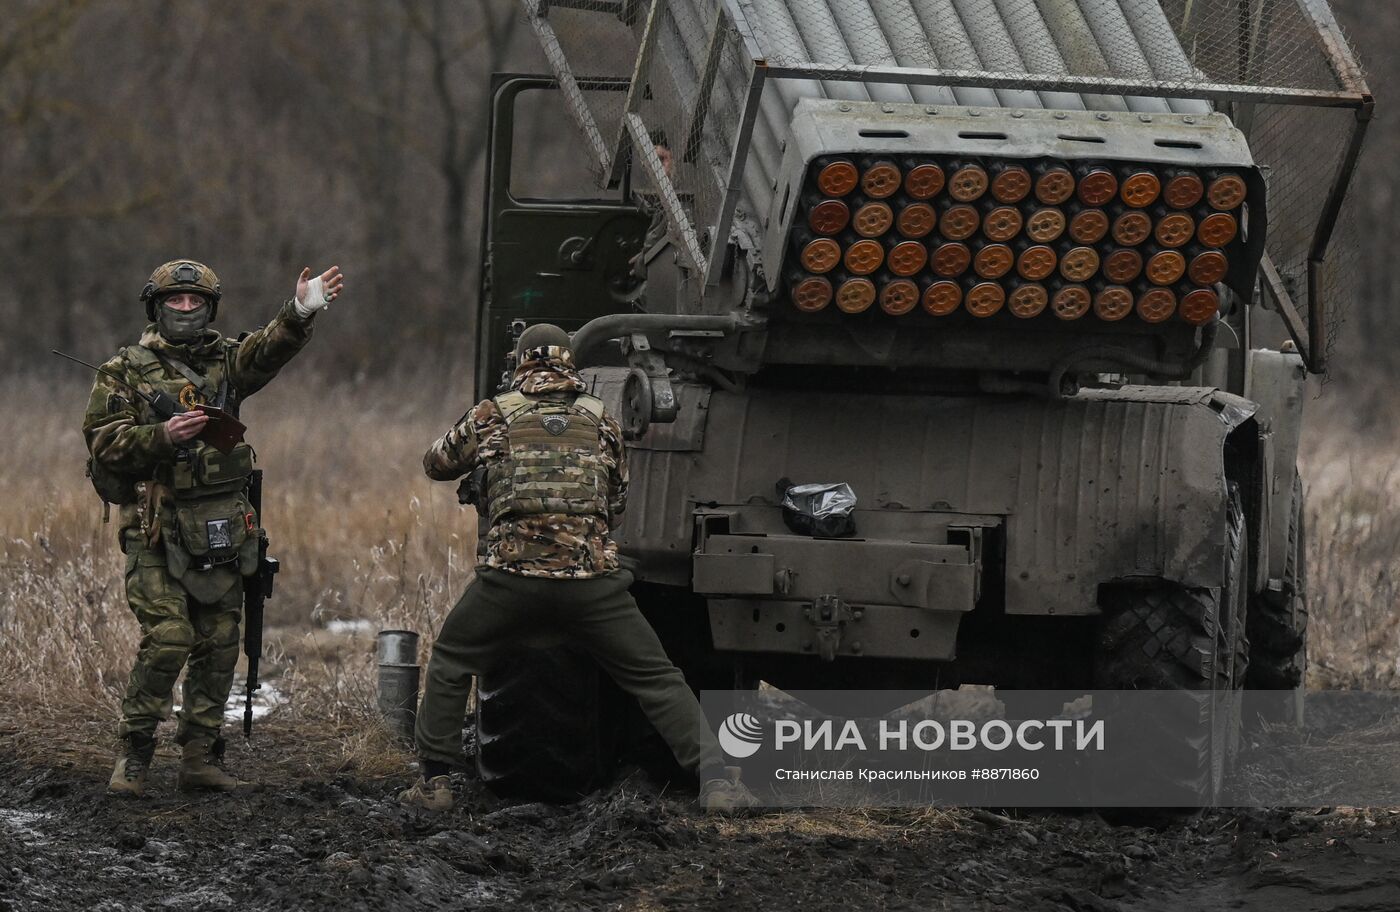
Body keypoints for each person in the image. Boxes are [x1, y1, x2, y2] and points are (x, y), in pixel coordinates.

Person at [400, 323, 756, 814]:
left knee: (452, 660)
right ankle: (718, 782)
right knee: (656, 677)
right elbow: (616, 504)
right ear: (569, 362)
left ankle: (436, 784)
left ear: (522, 362)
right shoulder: (601, 419)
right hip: (592, 586)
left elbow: (435, 464)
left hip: (510, 581)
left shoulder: (493, 414)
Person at [85, 259, 343, 797]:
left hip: (223, 529)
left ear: (209, 309)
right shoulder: (124, 369)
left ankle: (200, 757)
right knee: (169, 637)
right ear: (156, 308)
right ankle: (133, 757)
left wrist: (299, 309)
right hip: (156, 530)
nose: (185, 309)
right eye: (174, 302)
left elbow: (269, 350)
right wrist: (163, 436)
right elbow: (103, 443)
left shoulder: (227, 361)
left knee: (221, 642)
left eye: (195, 302)